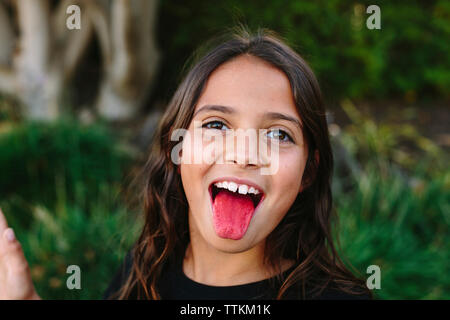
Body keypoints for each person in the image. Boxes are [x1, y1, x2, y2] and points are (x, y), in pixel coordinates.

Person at [0, 27, 371, 300]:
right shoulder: (143, 273)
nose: (243, 154)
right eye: (216, 125)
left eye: (278, 135)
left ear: (308, 171)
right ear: (177, 149)